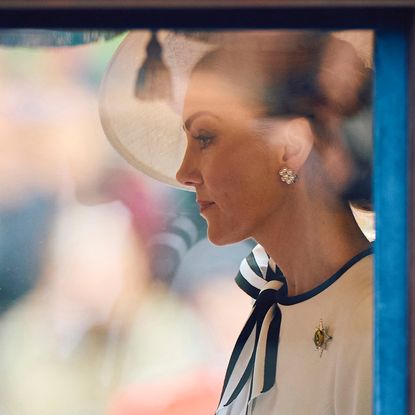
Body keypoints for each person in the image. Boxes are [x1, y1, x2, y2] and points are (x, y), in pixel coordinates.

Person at [100, 30, 374, 414]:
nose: (184, 172)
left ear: (290, 146)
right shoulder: (272, 308)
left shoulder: (376, 319)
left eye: (206, 136)